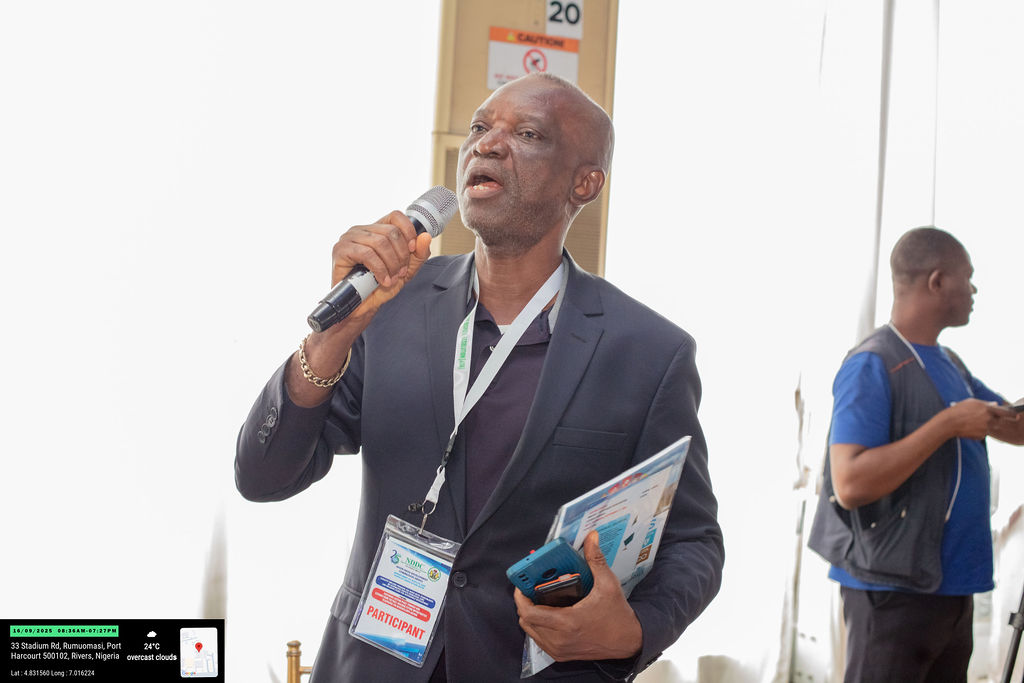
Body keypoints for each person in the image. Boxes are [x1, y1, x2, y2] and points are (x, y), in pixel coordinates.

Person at [235, 73, 724, 682]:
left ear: (585, 183)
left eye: (527, 134)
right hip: (373, 665)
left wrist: (633, 631)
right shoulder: (389, 307)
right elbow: (264, 476)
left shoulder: (648, 352)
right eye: (480, 127)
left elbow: (693, 540)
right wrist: (333, 335)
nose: (487, 144)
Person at [808, 227, 1024, 682]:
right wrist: (947, 424)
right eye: (968, 277)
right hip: (891, 593)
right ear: (937, 281)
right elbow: (849, 484)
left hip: (953, 588)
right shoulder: (872, 363)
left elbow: (1013, 425)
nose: (975, 290)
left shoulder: (951, 363)